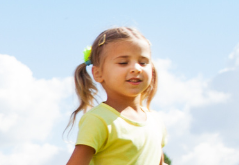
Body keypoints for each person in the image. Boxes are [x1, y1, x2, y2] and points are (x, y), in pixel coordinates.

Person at [64, 27, 166, 165]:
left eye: (143, 62)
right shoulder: (98, 120)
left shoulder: (156, 121)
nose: (136, 68)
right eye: (123, 62)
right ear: (98, 73)